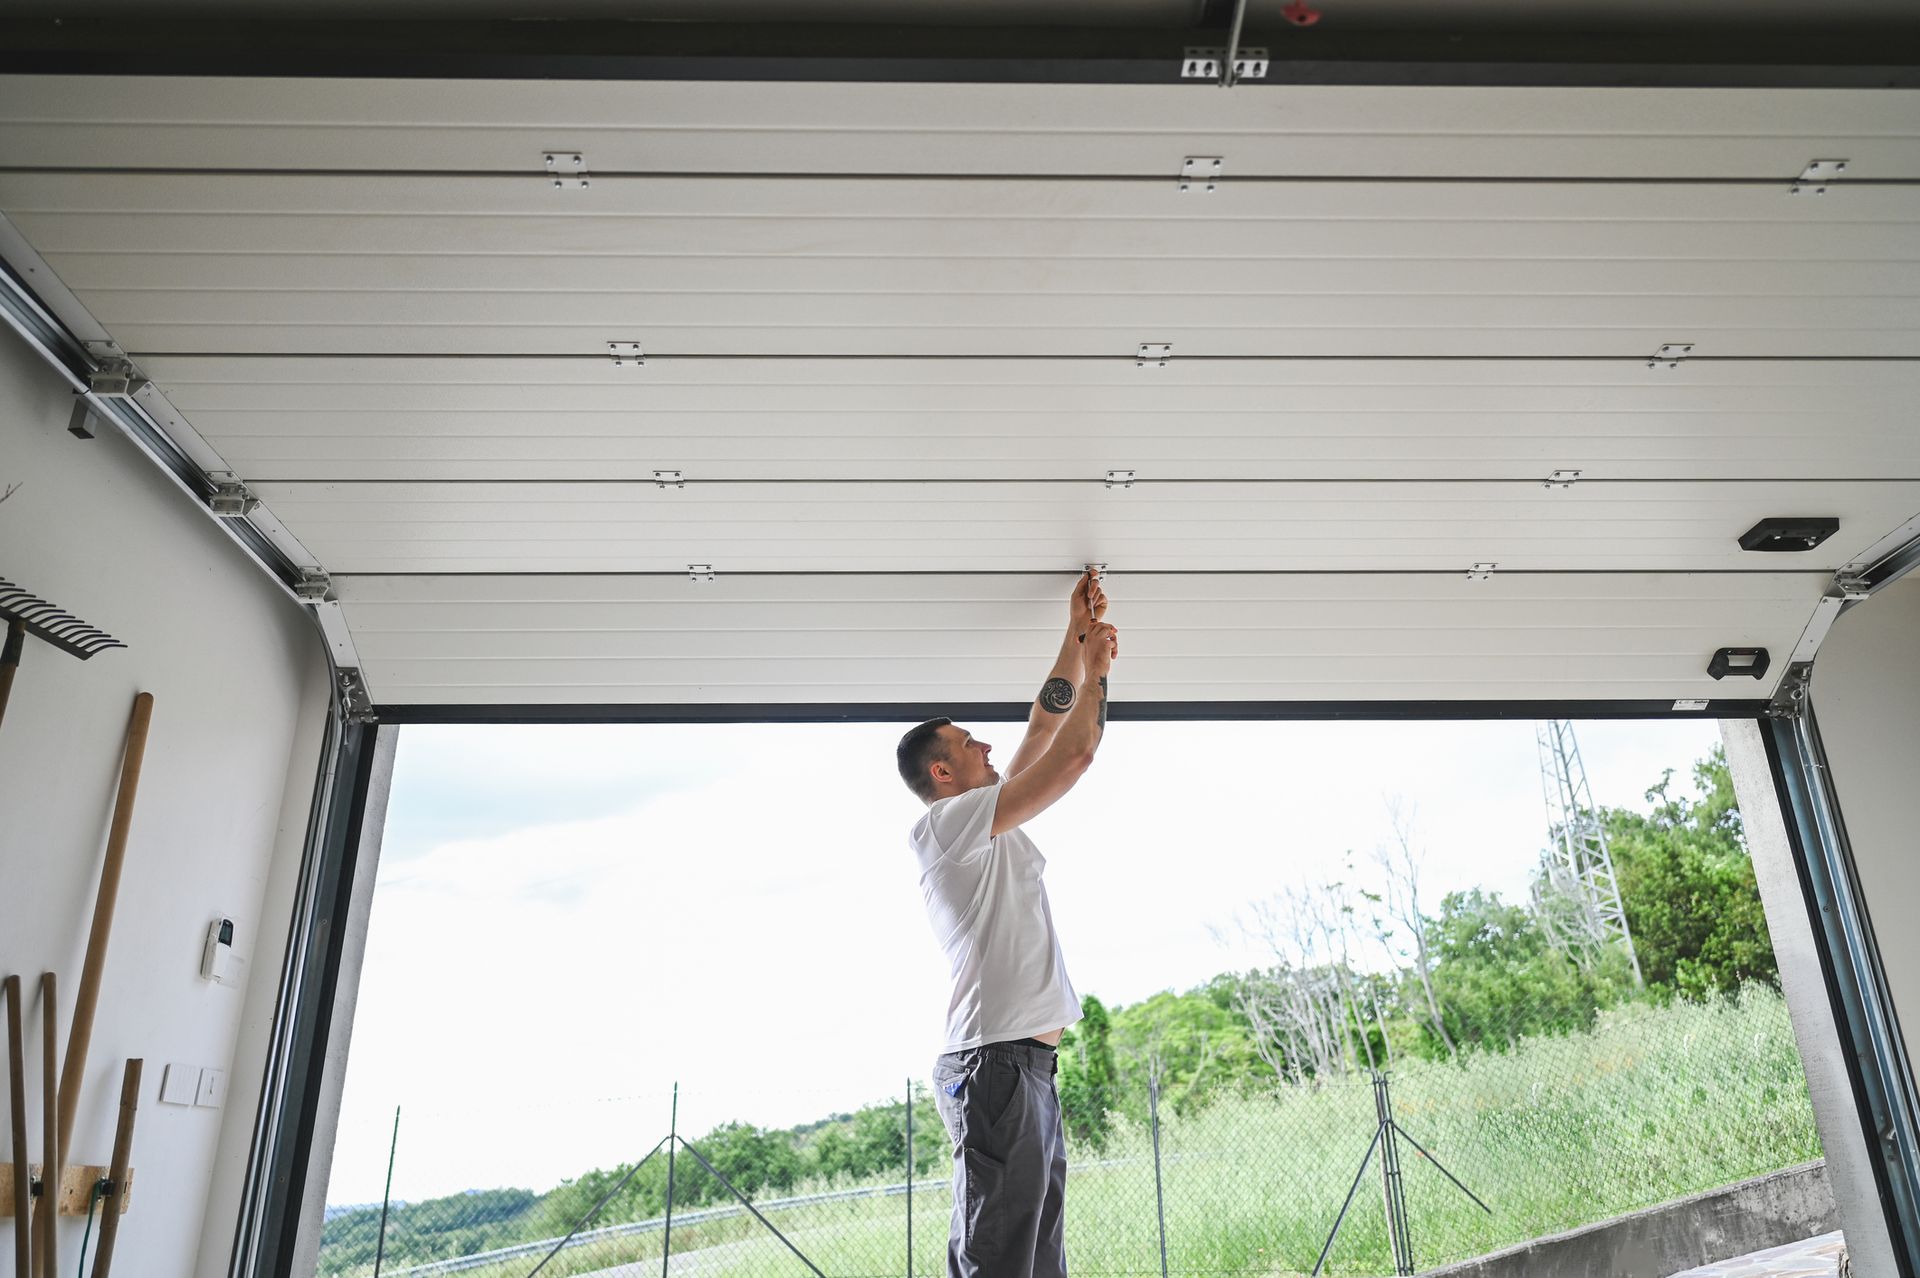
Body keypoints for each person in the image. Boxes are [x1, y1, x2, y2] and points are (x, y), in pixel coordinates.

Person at [895, 570, 1119, 1278]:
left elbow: (1045, 727)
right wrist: (1100, 677)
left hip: (1023, 1067)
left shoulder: (983, 824)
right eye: (967, 743)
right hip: (994, 1067)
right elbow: (1075, 755)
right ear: (942, 773)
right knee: (1000, 1257)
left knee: (1033, 1253)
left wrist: (1078, 634)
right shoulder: (948, 826)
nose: (984, 746)